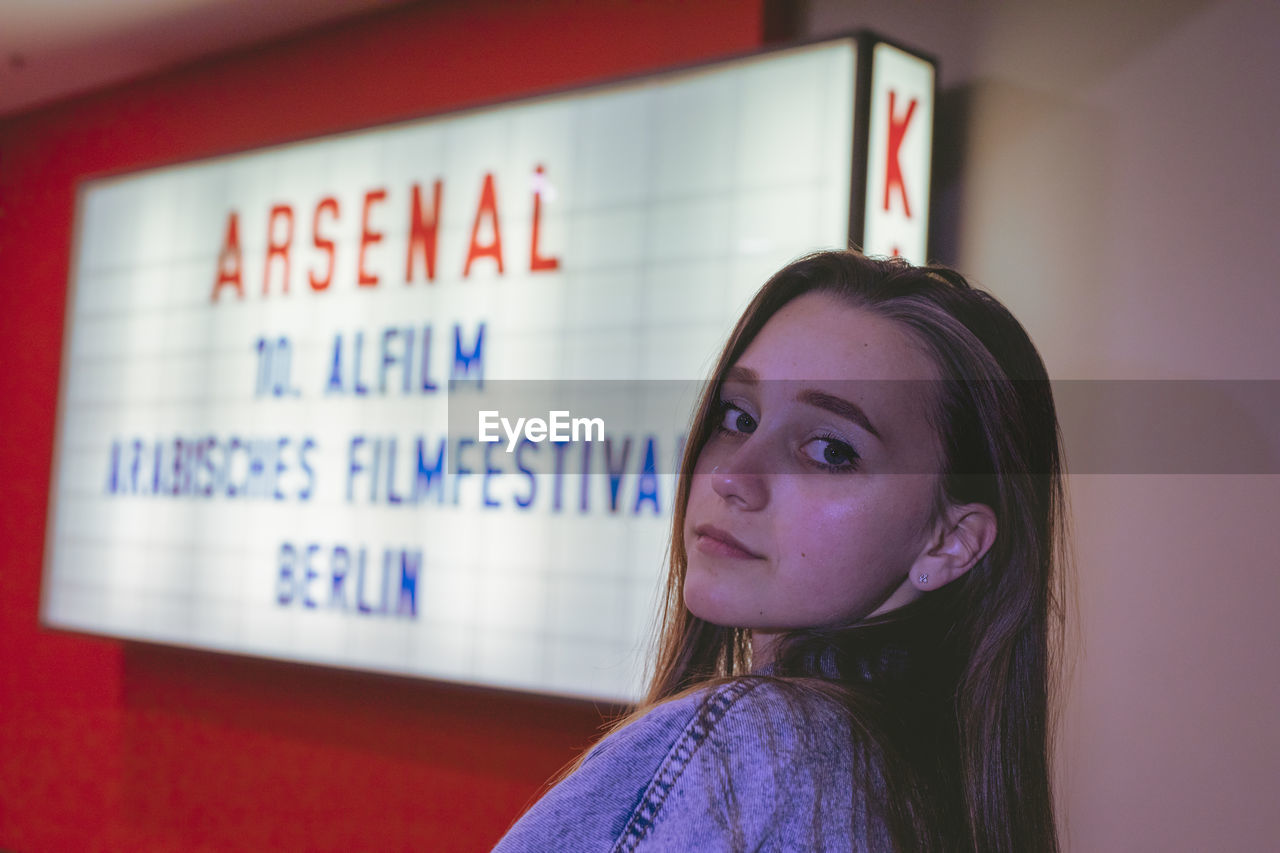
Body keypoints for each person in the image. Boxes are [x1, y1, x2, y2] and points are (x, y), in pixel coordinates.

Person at [493, 250, 1069, 852]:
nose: (732, 477)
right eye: (739, 417)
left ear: (950, 543)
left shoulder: (763, 742)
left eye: (829, 451)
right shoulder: (924, 787)